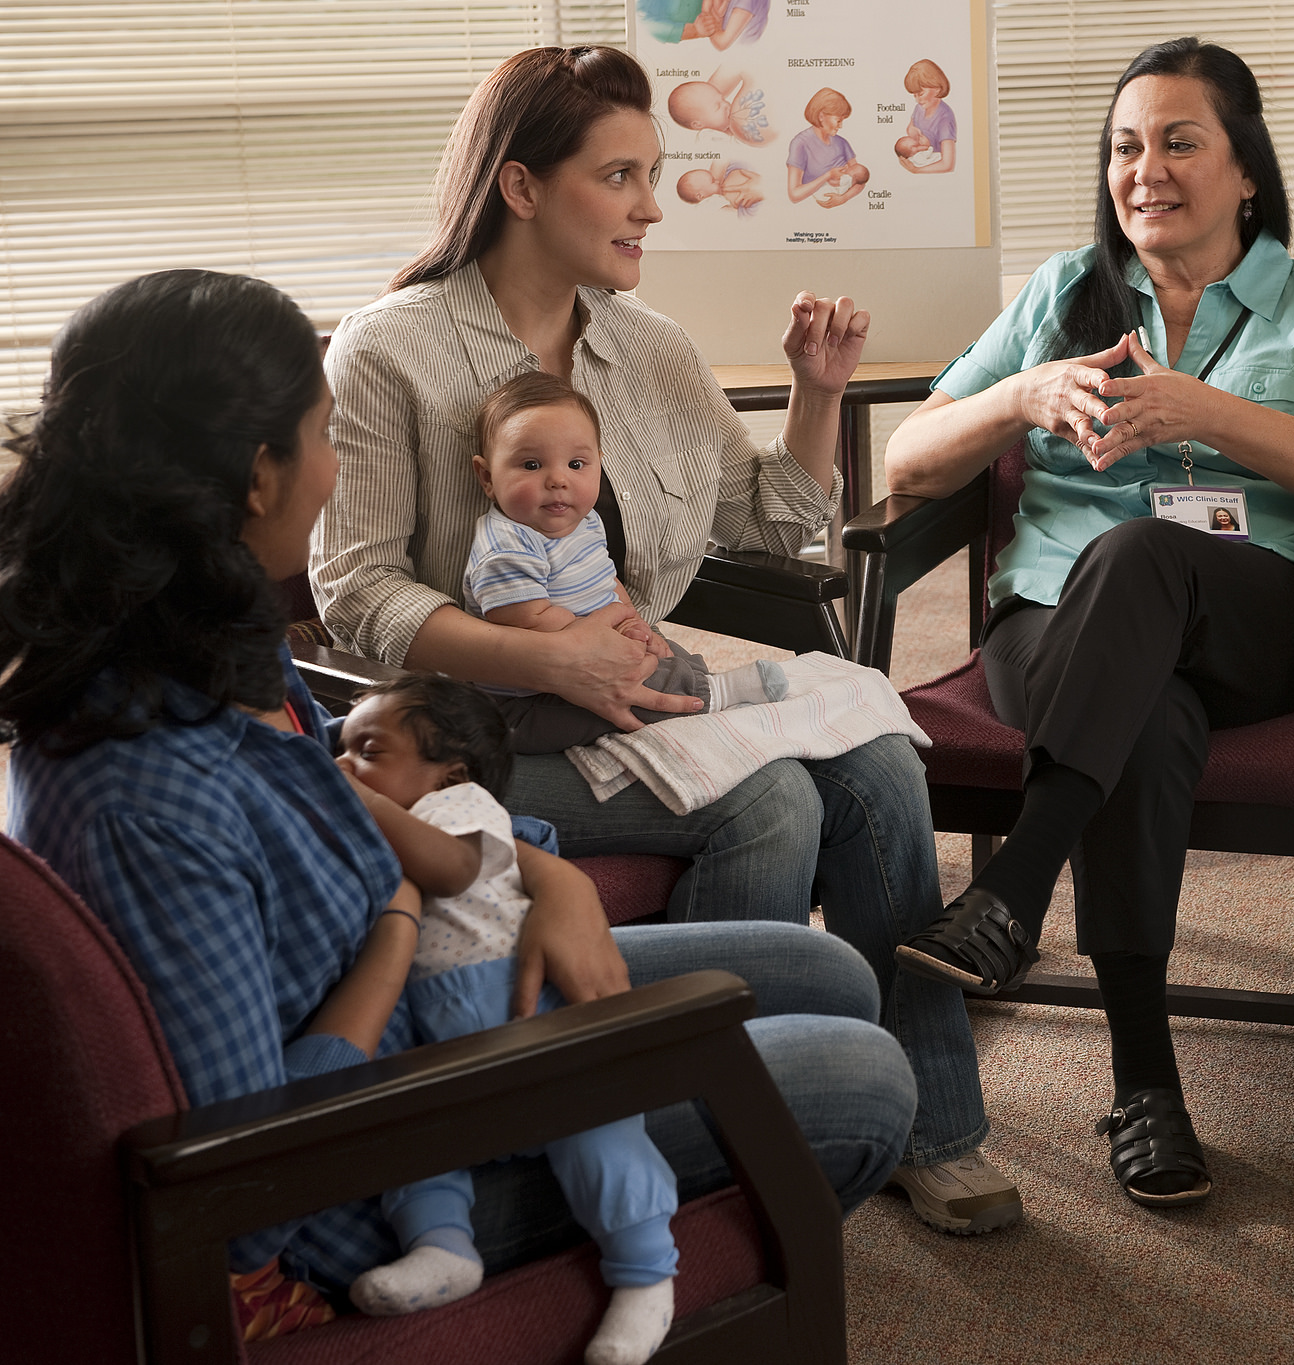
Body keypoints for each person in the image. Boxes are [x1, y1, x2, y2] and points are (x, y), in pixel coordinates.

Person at [0, 269, 916, 1306]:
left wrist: (538, 875)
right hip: (383, 1185)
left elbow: (337, 801)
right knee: (860, 1077)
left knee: (824, 974)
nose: (333, 469)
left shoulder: (208, 640)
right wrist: (399, 926)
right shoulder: (142, 796)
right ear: (259, 476)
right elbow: (249, 1181)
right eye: (323, 436)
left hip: (441, 995)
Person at [310, 46, 1015, 1234]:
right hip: (483, 734)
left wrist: (817, 393)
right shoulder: (390, 351)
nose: (652, 205)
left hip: (632, 699)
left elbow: (771, 523)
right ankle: (708, 1135)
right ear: (523, 188)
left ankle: (929, 1127)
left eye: (656, 172)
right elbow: (356, 594)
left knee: (883, 756)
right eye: (622, 175)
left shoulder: (649, 348)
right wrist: (546, 658)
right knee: (774, 800)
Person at [885, 36, 1294, 1207]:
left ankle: (1013, 887)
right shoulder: (1059, 294)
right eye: (1126, 145)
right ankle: (1143, 1086)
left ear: (1244, 171)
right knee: (1149, 713)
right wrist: (1020, 394)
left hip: (1257, 621)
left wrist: (1207, 412)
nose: (1146, 169)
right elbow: (905, 456)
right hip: (1057, 639)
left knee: (1142, 553)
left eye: (1180, 141)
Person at [337, 674, 676, 1365]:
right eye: (342, 752)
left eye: (366, 750)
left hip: (537, 1020)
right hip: (443, 1045)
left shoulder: (462, 809)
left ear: (451, 769)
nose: (344, 766)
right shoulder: (384, 822)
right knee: (417, 1145)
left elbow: (453, 868)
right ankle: (442, 1248)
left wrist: (356, 796)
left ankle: (646, 1274)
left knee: (602, 1143)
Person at [463, 371, 786, 753]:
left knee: (665, 651)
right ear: (487, 476)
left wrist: (634, 623)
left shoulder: (583, 521)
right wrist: (613, 641)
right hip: (527, 704)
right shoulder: (506, 546)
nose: (558, 480)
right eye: (532, 465)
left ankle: (701, 681)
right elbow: (528, 620)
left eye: (576, 464)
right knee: (636, 692)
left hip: (585, 662)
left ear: (600, 463)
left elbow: (607, 581)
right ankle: (713, 697)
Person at [788, 88, 865, 206]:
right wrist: (828, 175)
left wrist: (843, 198)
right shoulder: (800, 143)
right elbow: (794, 195)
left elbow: (861, 179)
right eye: (838, 120)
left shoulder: (842, 143)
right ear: (821, 116)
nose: (841, 126)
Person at [895, 59, 958, 174]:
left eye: (921, 94)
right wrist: (913, 131)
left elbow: (948, 164)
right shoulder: (919, 109)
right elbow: (911, 128)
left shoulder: (945, 118)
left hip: (932, 166)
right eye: (914, 95)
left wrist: (916, 170)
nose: (917, 99)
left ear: (937, 88)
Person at [676, 162, 763, 215]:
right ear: (700, 196)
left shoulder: (713, 199)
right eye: (713, 181)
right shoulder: (709, 204)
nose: (718, 181)